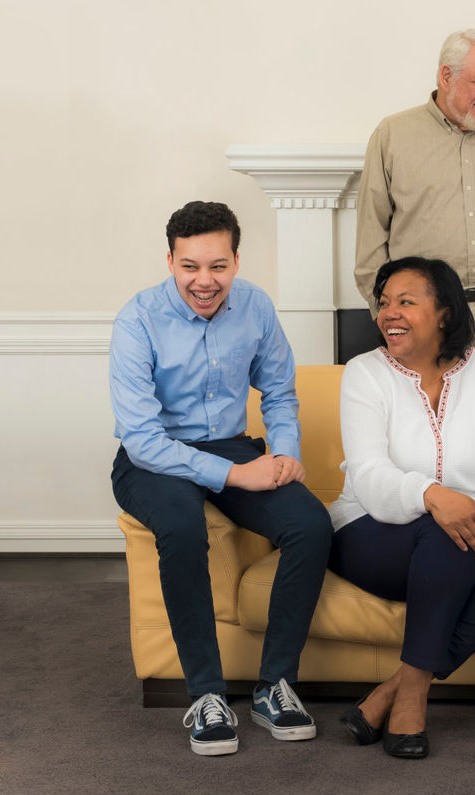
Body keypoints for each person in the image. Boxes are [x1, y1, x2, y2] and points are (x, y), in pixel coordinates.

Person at [109, 201, 332, 756]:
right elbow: (142, 439)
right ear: (170, 261)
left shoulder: (255, 306)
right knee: (182, 526)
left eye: (218, 266)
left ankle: (274, 685)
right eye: (190, 266)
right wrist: (235, 475)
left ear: (236, 260)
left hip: (230, 444)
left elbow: (279, 392)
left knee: (310, 522)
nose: (204, 281)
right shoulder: (137, 320)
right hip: (153, 456)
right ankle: (206, 695)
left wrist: (283, 454)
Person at [329, 257, 475, 759]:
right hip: (367, 530)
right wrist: (432, 495)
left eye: (406, 301)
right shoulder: (365, 373)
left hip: (459, 537)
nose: (389, 314)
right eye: (384, 304)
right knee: (451, 533)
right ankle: (412, 705)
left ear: (444, 312)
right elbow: (369, 475)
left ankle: (397, 687)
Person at [354, 29, 475, 373]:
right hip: (424, 316)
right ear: (446, 76)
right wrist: (390, 316)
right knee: (424, 423)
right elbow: (370, 240)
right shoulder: (392, 136)